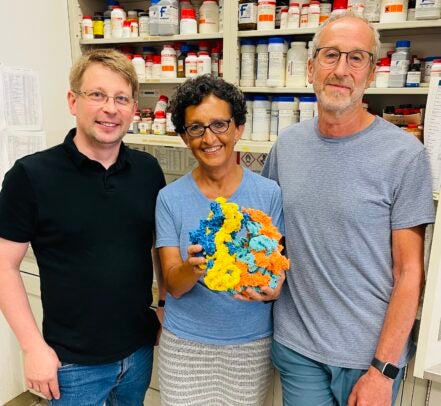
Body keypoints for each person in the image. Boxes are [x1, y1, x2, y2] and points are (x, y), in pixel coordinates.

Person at [262, 12, 435, 406]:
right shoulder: (286, 148)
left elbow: (410, 272)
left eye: (356, 58)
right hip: (298, 348)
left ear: (371, 72)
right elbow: (273, 240)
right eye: (330, 55)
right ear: (310, 67)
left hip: (367, 359)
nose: (341, 70)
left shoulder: (404, 156)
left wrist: (383, 369)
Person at [0, 49, 166, 405]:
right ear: (73, 100)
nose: (110, 108)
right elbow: (4, 265)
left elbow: (158, 244)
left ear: (134, 109)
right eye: (97, 95)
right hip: (72, 363)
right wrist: (33, 348)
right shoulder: (30, 176)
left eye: (121, 98)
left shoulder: (147, 170)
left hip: (139, 350)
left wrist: (164, 301)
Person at [155, 75, 287, 405]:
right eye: (196, 128)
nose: (209, 138)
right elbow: (174, 284)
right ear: (185, 137)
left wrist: (276, 283)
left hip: (250, 344)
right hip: (185, 344)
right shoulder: (169, 199)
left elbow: (275, 263)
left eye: (219, 124)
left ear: (238, 127)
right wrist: (193, 266)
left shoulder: (268, 194)